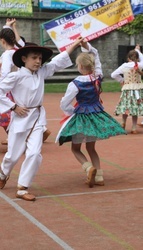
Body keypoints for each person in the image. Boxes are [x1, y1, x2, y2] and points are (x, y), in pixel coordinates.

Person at [0, 37, 84, 201]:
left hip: (38, 118)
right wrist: (13, 107)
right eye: (34, 58)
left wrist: (74, 45)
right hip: (20, 117)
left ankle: (23, 187)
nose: (38, 61)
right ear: (24, 58)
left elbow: (58, 62)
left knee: (34, 153)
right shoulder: (15, 76)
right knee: (13, 155)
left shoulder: (41, 72)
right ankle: (3, 174)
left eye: (39, 58)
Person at [56, 38, 126, 188]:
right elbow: (97, 55)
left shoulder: (75, 83)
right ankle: (99, 176)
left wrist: (71, 112)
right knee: (91, 147)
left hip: (81, 117)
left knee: (75, 148)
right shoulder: (97, 76)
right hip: (96, 115)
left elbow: (64, 102)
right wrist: (86, 46)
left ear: (80, 66)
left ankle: (88, 168)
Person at [111, 45, 143, 134]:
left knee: (126, 107)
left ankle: (123, 122)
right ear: (137, 58)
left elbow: (113, 74)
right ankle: (134, 128)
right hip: (138, 89)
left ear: (128, 58)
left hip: (127, 89)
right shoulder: (140, 65)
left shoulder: (124, 66)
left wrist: (121, 80)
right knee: (135, 108)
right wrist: (138, 50)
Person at [0, 18, 24, 146]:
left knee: (5, 116)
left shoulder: (7, 54)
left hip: (7, 88)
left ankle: (14, 140)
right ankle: (14, 139)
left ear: (2, 41)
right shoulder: (17, 51)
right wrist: (8, 26)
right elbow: (19, 42)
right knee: (10, 116)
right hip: (17, 88)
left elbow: (4, 73)